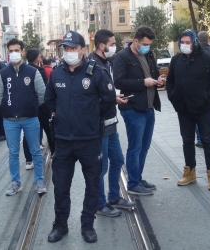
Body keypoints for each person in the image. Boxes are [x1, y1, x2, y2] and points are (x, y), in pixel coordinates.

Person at [45, 31, 116, 243]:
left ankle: (87, 225)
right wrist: (59, 114)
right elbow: (49, 99)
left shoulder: (97, 72)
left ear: (82, 50)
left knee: (93, 184)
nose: (69, 52)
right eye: (66, 49)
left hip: (89, 139)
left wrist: (91, 117)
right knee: (61, 186)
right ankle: (60, 225)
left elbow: (108, 99)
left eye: (73, 48)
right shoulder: (57, 74)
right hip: (64, 140)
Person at [166, 29, 210, 191]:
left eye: (188, 42)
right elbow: (170, 81)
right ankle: (189, 173)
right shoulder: (176, 60)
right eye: (182, 43)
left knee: (207, 141)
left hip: (204, 109)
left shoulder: (206, 58)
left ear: (194, 42)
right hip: (183, 108)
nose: (185, 45)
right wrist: (173, 97)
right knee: (187, 140)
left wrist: (207, 97)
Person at [113, 26, 166, 196]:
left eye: (149, 44)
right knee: (135, 147)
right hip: (133, 108)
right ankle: (133, 184)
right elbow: (119, 82)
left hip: (149, 106)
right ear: (135, 41)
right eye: (144, 44)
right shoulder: (122, 57)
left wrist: (158, 79)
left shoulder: (148, 54)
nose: (147, 47)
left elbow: (153, 73)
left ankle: (138, 177)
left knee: (144, 146)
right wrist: (143, 82)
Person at [88, 29, 135, 217]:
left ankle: (114, 197)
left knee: (117, 160)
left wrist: (113, 96)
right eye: (112, 43)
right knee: (102, 166)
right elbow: (90, 97)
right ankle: (100, 204)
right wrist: (112, 99)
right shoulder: (92, 65)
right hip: (99, 125)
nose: (114, 47)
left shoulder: (106, 62)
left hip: (111, 122)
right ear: (102, 45)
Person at [0, 38, 47, 196]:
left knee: (36, 151)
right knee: (13, 153)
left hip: (30, 119)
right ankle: (16, 182)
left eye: (17, 50)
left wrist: (30, 106)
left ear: (22, 52)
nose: (14, 54)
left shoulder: (32, 72)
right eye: (11, 51)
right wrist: (9, 106)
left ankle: (39, 181)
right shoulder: (3, 73)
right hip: (10, 120)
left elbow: (42, 94)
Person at [23, 49, 55, 170]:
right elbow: (44, 91)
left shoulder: (24, 70)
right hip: (41, 107)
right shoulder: (39, 71)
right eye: (39, 55)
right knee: (49, 129)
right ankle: (53, 152)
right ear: (37, 58)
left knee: (28, 133)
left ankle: (28, 160)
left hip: (28, 106)